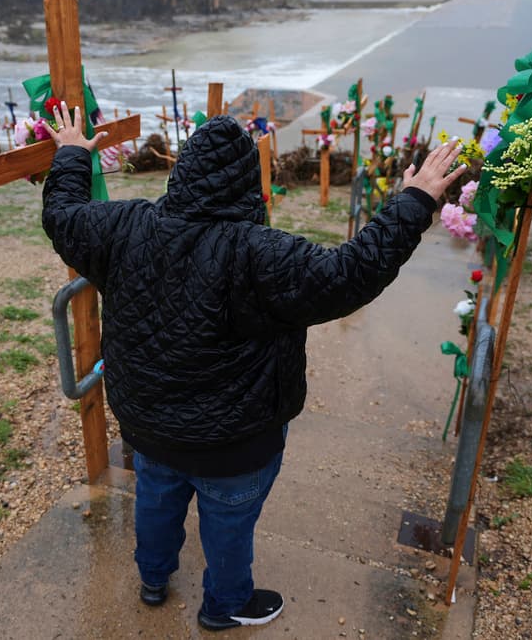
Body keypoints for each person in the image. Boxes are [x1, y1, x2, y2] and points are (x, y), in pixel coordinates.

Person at [41, 101, 465, 631]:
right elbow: (352, 273)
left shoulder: (123, 226)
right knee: (227, 528)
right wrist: (417, 199)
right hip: (236, 441)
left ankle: (153, 577)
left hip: (148, 426)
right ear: (248, 182)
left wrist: (74, 155)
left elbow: (60, 216)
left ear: (184, 171)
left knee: (154, 502)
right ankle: (224, 606)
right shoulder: (263, 253)